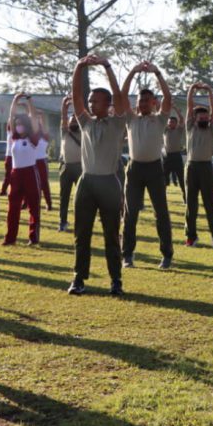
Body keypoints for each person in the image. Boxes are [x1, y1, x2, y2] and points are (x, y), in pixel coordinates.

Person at [67, 54, 129, 296]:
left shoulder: (117, 123)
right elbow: (76, 97)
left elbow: (121, 97)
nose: (91, 104)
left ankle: (116, 280)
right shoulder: (86, 123)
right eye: (91, 101)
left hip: (109, 183)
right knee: (81, 234)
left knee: (111, 235)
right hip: (87, 182)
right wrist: (79, 67)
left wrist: (107, 66)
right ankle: (79, 279)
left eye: (96, 101)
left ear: (108, 104)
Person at [120, 62, 176, 270]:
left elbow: (168, 98)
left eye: (146, 100)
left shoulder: (160, 119)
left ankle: (167, 255)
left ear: (154, 102)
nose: (142, 103)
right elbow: (122, 96)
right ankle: (127, 255)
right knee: (130, 213)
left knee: (161, 212)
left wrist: (158, 73)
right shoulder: (131, 119)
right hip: (134, 169)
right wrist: (133, 72)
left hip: (154, 169)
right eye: (140, 100)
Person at [0, 94, 43, 246]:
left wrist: (30, 100)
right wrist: (15, 101)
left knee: (33, 207)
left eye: (21, 124)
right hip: (15, 174)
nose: (18, 126)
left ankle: (33, 238)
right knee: (13, 208)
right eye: (16, 124)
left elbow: (32, 117)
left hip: (30, 173)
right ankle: (10, 238)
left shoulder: (33, 139)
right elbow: (11, 117)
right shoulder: (14, 138)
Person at [183, 83, 213, 248]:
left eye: (207, 117)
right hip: (191, 167)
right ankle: (191, 237)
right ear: (195, 118)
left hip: (206, 167)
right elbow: (189, 106)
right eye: (202, 117)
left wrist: (210, 91)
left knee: (210, 204)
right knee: (191, 205)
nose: (205, 119)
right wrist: (192, 90)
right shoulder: (190, 127)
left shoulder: (211, 130)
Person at [57, 96, 81, 232]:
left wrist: (78, 104)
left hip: (80, 168)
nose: (72, 123)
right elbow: (64, 118)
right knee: (64, 197)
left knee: (80, 198)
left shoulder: (83, 132)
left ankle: (80, 221)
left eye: (75, 121)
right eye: (71, 121)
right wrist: (64, 107)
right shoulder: (65, 132)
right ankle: (63, 222)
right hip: (66, 167)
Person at [162, 108, 186, 200]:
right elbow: (162, 119)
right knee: (164, 179)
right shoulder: (165, 130)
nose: (170, 123)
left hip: (176, 156)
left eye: (172, 122)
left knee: (181, 178)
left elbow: (181, 119)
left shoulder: (179, 130)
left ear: (176, 123)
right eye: (169, 122)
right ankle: (162, 198)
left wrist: (175, 109)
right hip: (167, 157)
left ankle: (185, 196)